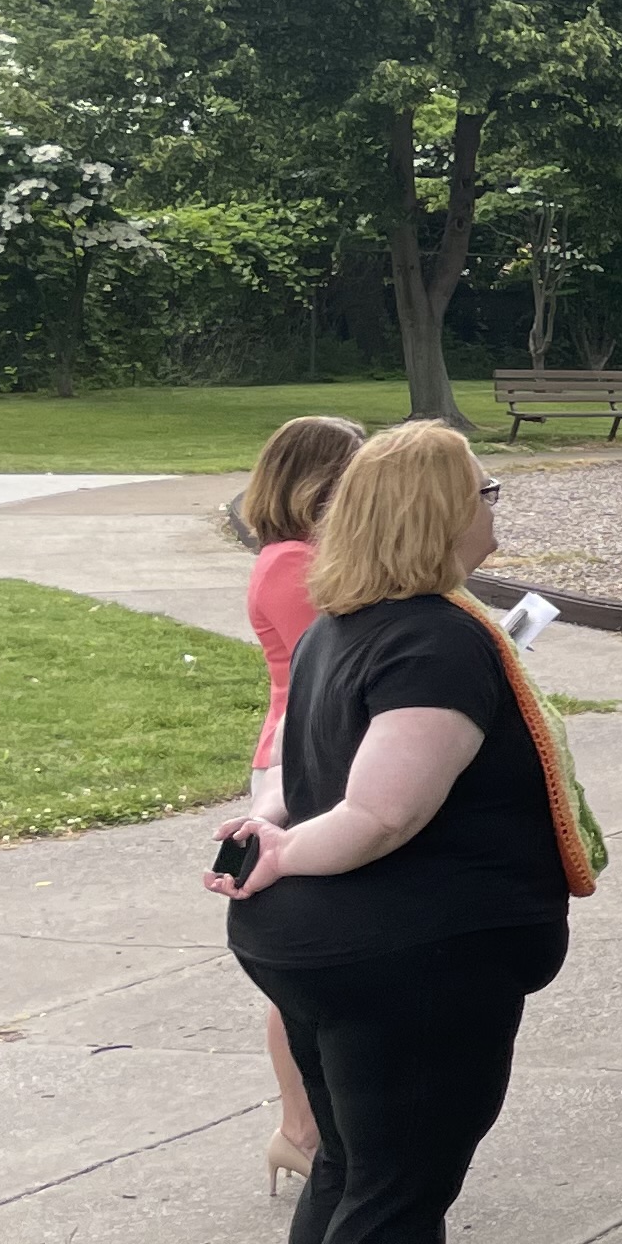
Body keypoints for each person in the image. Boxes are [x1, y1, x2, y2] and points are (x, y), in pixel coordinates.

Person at [218, 422, 596, 1244]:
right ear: (438, 511)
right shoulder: (433, 641)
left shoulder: (350, 625)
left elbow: (292, 774)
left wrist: (267, 841)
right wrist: (284, 850)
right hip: (410, 965)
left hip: (347, 955)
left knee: (351, 1170)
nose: (494, 504)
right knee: (397, 1184)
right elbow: (383, 811)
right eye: (484, 488)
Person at [238, 411, 363, 1197]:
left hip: (324, 752)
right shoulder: (292, 564)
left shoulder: (307, 557)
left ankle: (320, 1121)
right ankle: (299, 1126)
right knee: (303, 965)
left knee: (329, 956)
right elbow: (342, 657)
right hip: (300, 763)